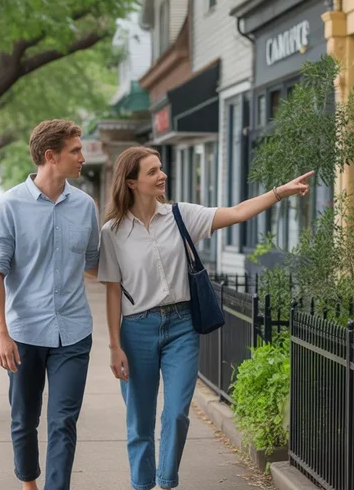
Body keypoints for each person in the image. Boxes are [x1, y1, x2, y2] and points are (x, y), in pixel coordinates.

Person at [97, 146, 313, 490]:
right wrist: (113, 345)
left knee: (177, 412)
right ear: (132, 182)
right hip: (136, 330)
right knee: (139, 420)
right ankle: (141, 484)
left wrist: (278, 193)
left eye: (160, 169)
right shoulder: (113, 232)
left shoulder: (181, 215)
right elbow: (112, 290)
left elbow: (238, 212)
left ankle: (166, 482)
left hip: (182, 325)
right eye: (152, 171)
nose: (161, 175)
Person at [0, 119, 100, 490]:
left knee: (63, 421)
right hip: (24, 333)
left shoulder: (85, 206)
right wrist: (0, 333)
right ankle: (29, 483)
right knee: (24, 418)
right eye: (75, 151)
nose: (83, 157)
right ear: (51, 156)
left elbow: (95, 264)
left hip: (74, 332)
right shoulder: (9, 206)